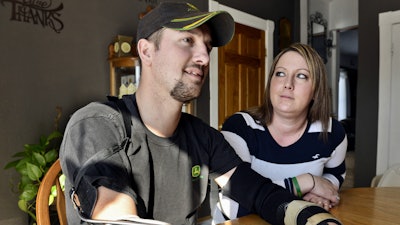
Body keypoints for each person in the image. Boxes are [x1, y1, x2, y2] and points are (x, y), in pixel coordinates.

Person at [59, 2, 342, 225]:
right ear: (146, 51)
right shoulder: (98, 124)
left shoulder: (203, 137)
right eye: (187, 41)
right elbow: (119, 217)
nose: (205, 57)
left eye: (207, 46)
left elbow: (259, 194)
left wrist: (317, 220)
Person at [212, 43, 347, 224]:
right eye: (280, 73)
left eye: (301, 76)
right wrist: (307, 182)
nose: (287, 84)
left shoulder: (332, 133)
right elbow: (240, 202)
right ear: (271, 83)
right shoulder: (240, 127)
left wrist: (319, 193)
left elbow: (335, 176)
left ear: (316, 90)